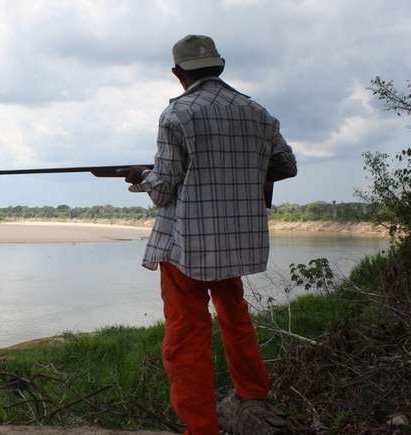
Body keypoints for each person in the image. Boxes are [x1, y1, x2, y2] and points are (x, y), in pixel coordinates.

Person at [118, 35, 297, 435]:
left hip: (188, 244)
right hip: (235, 241)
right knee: (235, 315)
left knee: (186, 331)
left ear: (178, 74)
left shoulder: (178, 114)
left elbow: (164, 189)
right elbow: (285, 165)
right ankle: (252, 390)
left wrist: (141, 177)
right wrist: (242, 176)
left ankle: (200, 426)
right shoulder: (258, 112)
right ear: (220, 66)